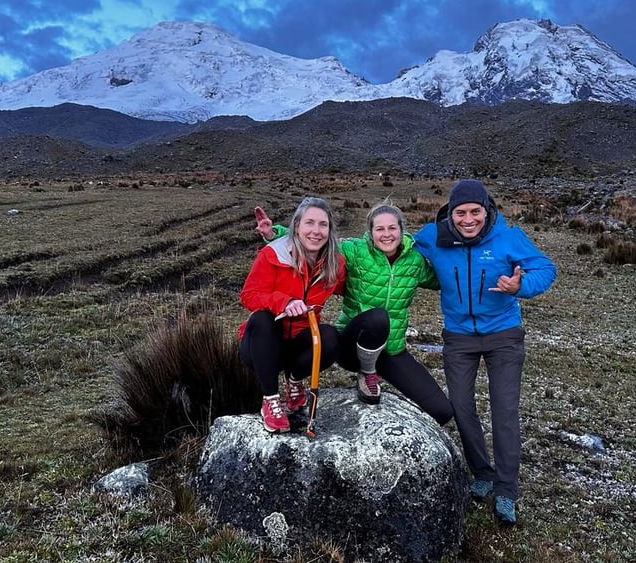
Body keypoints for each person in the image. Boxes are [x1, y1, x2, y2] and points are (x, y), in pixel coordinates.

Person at [413, 179, 557, 526]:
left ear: (487, 210)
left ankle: (506, 490)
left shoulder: (508, 237)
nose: (468, 220)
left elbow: (546, 268)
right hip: (459, 339)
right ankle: (483, 472)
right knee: (461, 408)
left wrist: (521, 285)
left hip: (503, 337)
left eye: (475, 212)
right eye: (460, 213)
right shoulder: (433, 236)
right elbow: (392, 245)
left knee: (504, 413)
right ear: (450, 213)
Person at [255, 200, 454, 425]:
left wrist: (466, 263)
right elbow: (316, 240)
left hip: (390, 348)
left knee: (442, 411)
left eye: (392, 228)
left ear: (402, 230)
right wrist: (275, 234)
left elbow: (442, 280)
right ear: (370, 232)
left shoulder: (415, 262)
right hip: (351, 344)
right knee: (378, 317)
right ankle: (366, 373)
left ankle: (374, 372)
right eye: (379, 229)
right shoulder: (355, 251)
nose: (386, 235)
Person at [238, 197, 346, 433]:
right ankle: (271, 400)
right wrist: (283, 302)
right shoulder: (273, 254)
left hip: (299, 345)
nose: (316, 231)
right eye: (309, 223)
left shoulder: (334, 263)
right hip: (263, 346)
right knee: (262, 320)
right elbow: (249, 295)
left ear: (330, 229)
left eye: (323, 225)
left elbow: (348, 287)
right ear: (296, 226)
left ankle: (294, 382)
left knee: (330, 336)